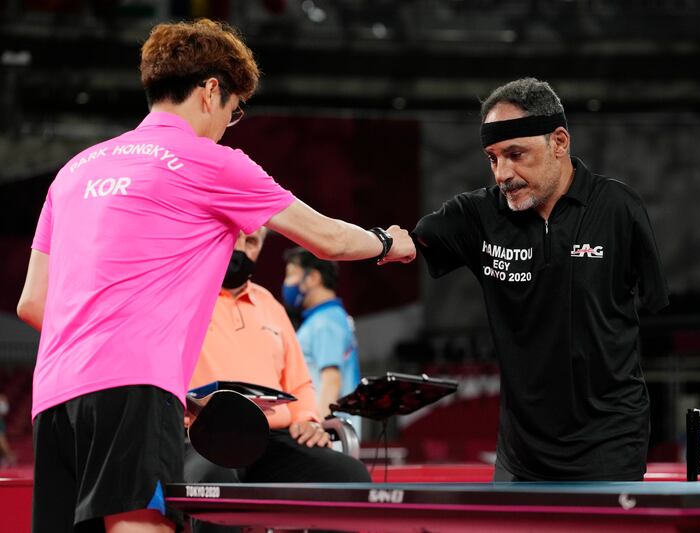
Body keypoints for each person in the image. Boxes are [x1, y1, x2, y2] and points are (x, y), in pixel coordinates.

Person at [16, 18, 414, 533]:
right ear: (210, 92)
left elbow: (32, 302)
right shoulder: (212, 162)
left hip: (54, 393)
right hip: (134, 391)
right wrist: (389, 242)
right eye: (234, 108)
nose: (231, 123)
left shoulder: (74, 170)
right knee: (141, 526)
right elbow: (329, 239)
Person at [412, 78, 669, 481]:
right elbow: (402, 243)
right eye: (493, 158)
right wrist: (375, 240)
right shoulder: (478, 215)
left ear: (560, 142)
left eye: (515, 154)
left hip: (610, 443)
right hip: (520, 456)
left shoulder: (619, 209)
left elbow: (655, 309)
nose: (503, 173)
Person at [185, 227, 371, 533]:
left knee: (349, 476)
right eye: (236, 237)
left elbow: (299, 382)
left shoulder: (270, 306)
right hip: (206, 436)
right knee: (215, 483)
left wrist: (307, 419)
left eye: (253, 241)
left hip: (271, 437)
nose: (243, 248)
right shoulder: (181, 295)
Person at [282, 247, 362, 435]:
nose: (286, 283)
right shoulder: (331, 318)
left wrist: (317, 430)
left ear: (312, 278)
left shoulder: (325, 322)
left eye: (291, 275)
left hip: (325, 436)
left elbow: (331, 380)